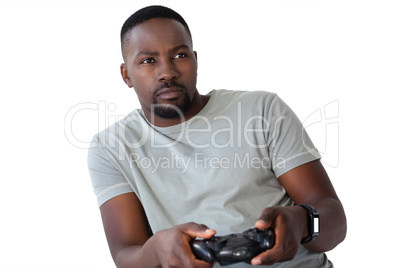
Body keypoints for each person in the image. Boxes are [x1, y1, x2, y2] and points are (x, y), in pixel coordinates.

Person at [87, 5, 347, 268]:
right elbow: (125, 255)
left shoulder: (262, 109)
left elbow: (335, 220)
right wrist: (155, 251)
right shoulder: (111, 147)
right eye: (148, 60)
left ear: (195, 59)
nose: (167, 72)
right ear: (126, 75)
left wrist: (302, 222)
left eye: (179, 54)